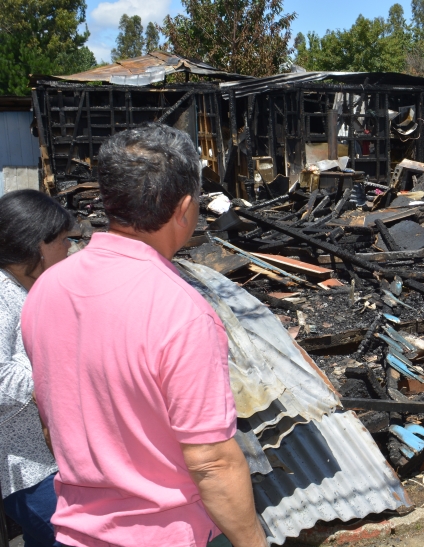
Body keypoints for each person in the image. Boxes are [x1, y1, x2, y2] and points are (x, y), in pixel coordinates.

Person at [22, 123, 267, 547]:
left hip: (76, 534)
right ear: (185, 208)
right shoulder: (180, 310)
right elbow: (211, 463)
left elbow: (52, 424)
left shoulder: (48, 289)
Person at [0, 189, 73, 547]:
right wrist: (63, 372)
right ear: (37, 246)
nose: (69, 249)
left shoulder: (25, 290)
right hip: (26, 470)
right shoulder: (1, 294)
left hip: (47, 463)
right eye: (62, 241)